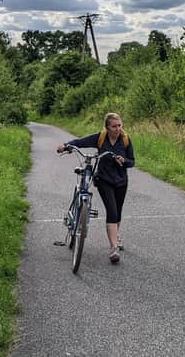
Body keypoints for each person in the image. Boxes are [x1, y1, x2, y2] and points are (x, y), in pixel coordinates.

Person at [57, 113, 135, 264]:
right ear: (107, 127)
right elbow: (81, 142)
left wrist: (124, 160)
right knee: (112, 211)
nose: (118, 129)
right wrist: (66, 145)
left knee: (117, 213)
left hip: (121, 181)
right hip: (104, 180)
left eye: (120, 125)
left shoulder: (125, 140)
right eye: (114, 126)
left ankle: (115, 235)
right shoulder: (100, 137)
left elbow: (132, 161)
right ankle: (113, 248)